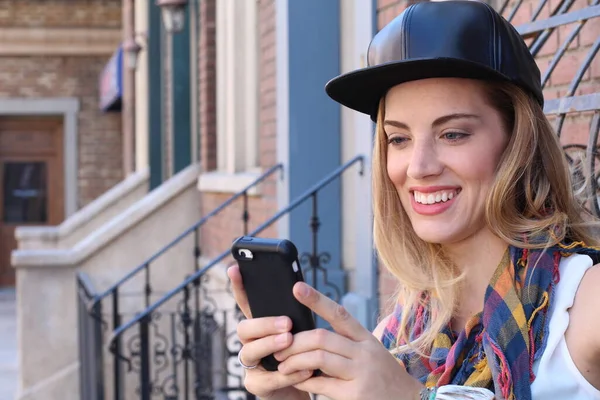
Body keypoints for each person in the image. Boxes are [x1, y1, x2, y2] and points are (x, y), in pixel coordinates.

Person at [227, 1, 600, 399]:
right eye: (399, 139)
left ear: (519, 144)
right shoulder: (402, 333)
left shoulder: (585, 305)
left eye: (453, 134)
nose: (418, 167)